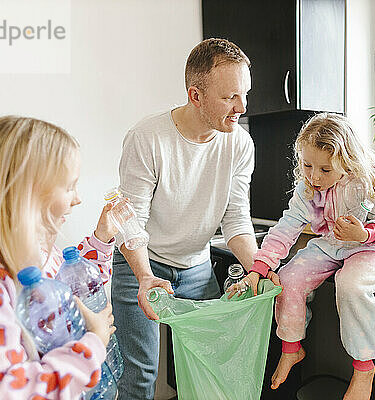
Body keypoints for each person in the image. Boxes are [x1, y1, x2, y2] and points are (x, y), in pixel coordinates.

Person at [111, 38, 279, 399]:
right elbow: (131, 220)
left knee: (214, 365)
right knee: (141, 375)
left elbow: (236, 219)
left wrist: (260, 269)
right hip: (140, 264)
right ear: (196, 95)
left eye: (245, 94)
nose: (241, 107)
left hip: (196, 267)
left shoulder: (239, 143)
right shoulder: (147, 137)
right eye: (230, 97)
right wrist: (144, 277)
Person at [0, 116, 126, 399]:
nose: (77, 199)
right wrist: (92, 347)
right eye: (69, 187)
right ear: (27, 194)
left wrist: (102, 238)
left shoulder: (34, 256)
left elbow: (70, 287)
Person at [235, 113, 375, 400]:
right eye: (307, 165)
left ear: (347, 162)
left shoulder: (368, 180)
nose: (315, 176)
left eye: (325, 169)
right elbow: (287, 226)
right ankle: (292, 348)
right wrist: (260, 265)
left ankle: (364, 368)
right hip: (333, 244)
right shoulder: (308, 188)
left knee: (351, 284)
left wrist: (364, 234)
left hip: (374, 245)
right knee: (288, 279)